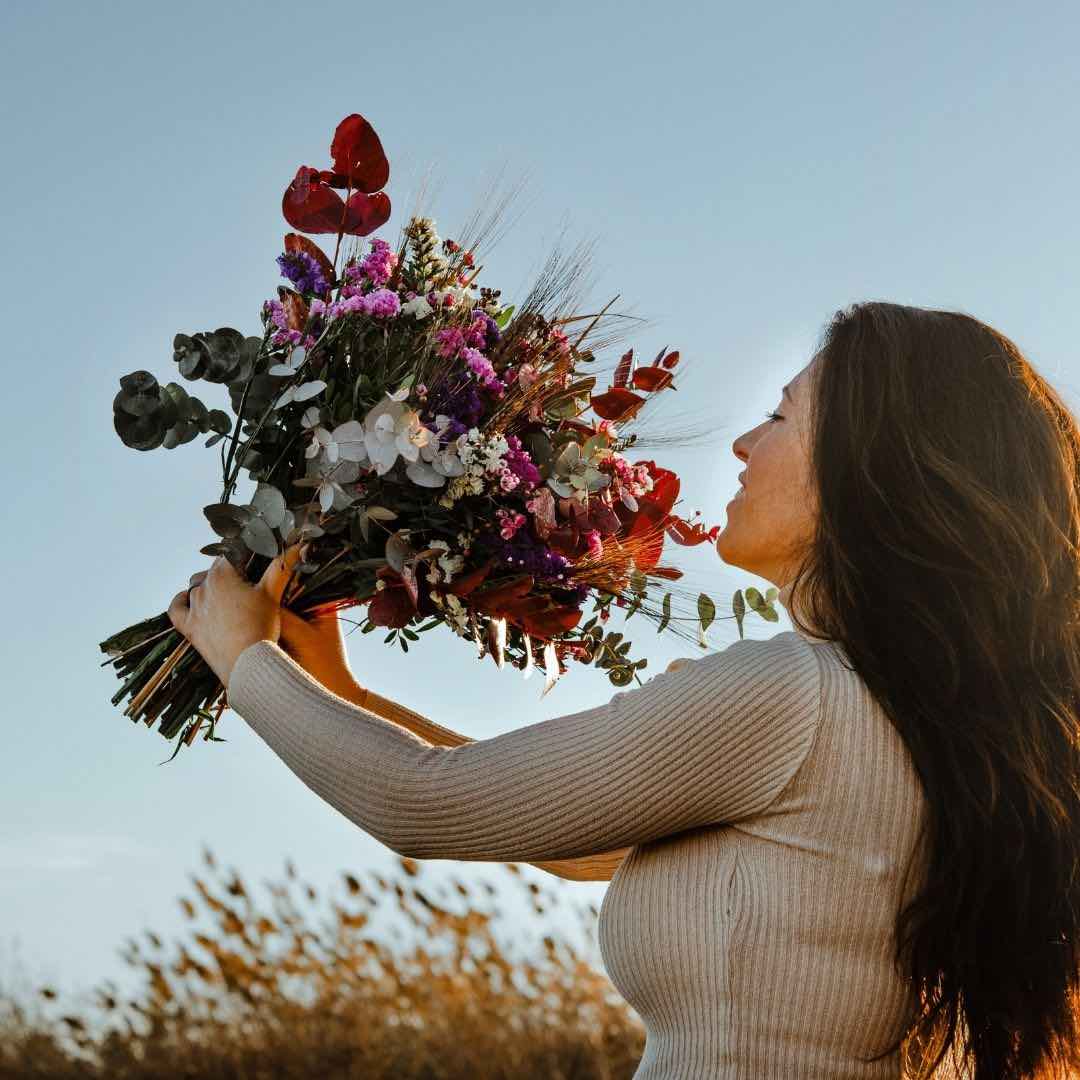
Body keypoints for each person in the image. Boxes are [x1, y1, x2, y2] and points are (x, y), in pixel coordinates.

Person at [168, 301, 1080, 1080]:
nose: (743, 440)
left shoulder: (789, 696)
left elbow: (426, 802)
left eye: (781, 416)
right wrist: (334, 688)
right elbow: (562, 838)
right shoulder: (934, 725)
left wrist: (243, 659)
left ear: (868, 468)